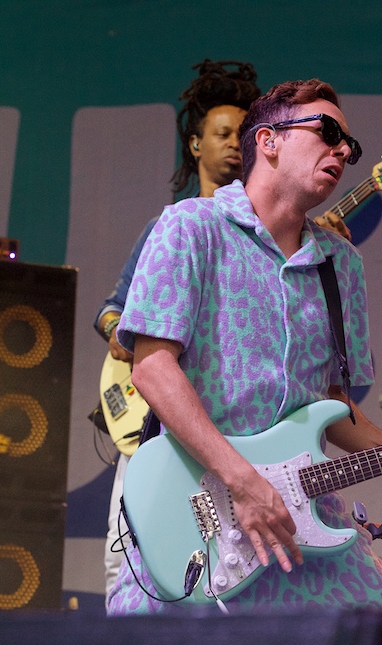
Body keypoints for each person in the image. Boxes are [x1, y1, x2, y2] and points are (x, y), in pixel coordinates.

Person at [107, 79, 382, 620]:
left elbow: (327, 403)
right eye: (328, 132)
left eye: (350, 146)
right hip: (197, 506)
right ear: (268, 140)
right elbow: (152, 369)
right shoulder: (191, 226)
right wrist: (242, 481)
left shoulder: (341, 265)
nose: (342, 151)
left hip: (303, 515)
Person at [94, 59, 262, 605]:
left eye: (243, 134)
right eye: (222, 133)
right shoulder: (171, 228)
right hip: (157, 426)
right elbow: (111, 310)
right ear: (195, 145)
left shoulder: (268, 237)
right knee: (127, 560)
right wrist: (121, 333)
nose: (235, 143)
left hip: (230, 428)